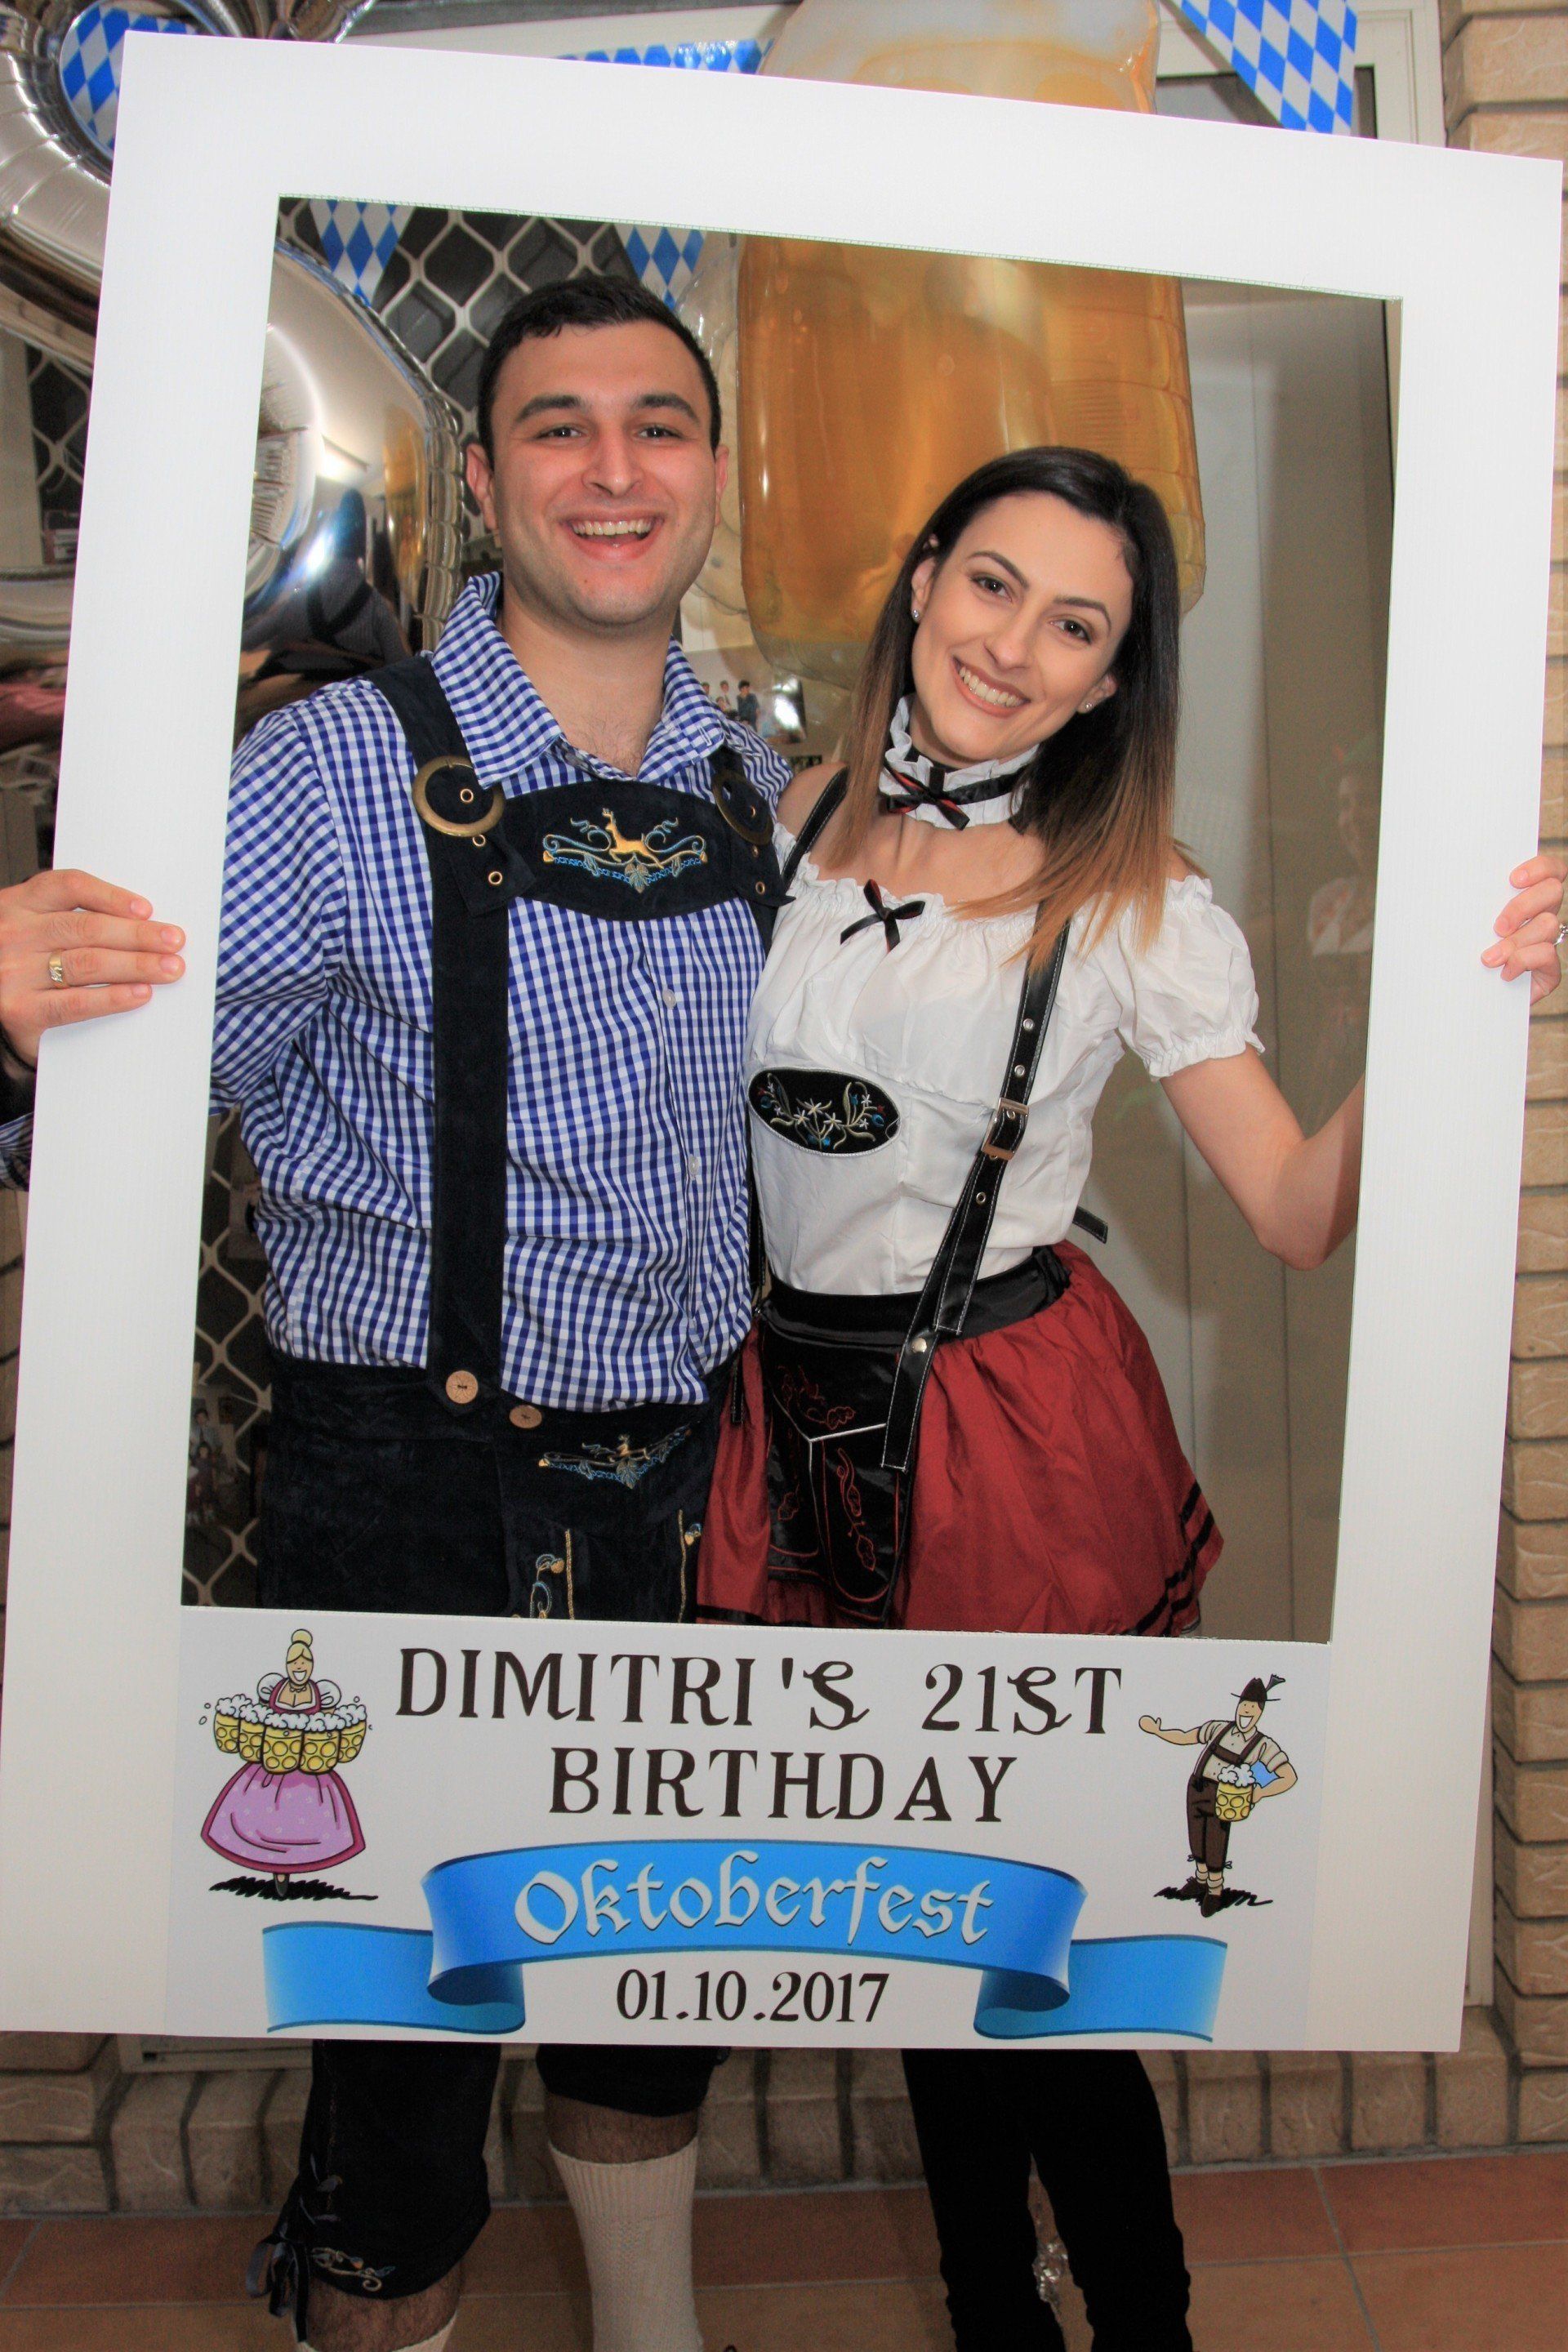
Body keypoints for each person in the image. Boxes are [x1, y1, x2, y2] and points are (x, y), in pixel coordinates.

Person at [697, 444, 1566, 2351]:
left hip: (1010, 1436)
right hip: (792, 1416)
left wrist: (1453, 1014)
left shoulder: (1137, 903)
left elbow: (1295, 1211)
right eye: (993, 584)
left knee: (1038, 1933)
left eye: (1075, 625)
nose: (1013, 645)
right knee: (903, 1916)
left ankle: (1146, 2323)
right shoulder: (776, 814)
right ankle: (991, 2312)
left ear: (1111, 680)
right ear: (924, 577)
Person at [0, 272, 789, 2352]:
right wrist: (13, 1007)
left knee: (649, 1979)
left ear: (713, 475)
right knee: (403, 2056)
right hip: (407, 1489)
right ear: (486, 482)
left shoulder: (756, 789)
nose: (613, 467)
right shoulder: (328, 773)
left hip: (685, 1483)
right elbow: (108, 1109)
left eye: (658, 423)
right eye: (558, 426)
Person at [1141, 1674, 1298, 1915]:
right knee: (1196, 1839)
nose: (1246, 1711)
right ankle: (1200, 1880)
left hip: (1225, 1797)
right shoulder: (1218, 1728)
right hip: (1196, 1788)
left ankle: (1215, 1890)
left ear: (1260, 1712)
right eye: (1244, 1705)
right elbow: (1186, 1737)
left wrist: (1261, 1792)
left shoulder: (1262, 1745)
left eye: (1253, 1707)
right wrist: (1157, 1731)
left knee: (1215, 1843)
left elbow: (1289, 1776)